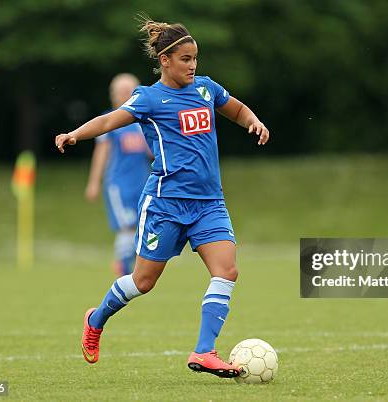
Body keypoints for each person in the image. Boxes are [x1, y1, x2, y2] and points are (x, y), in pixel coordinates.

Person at [55, 18, 270, 378]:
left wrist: (253, 121)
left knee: (227, 270)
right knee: (143, 282)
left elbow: (236, 109)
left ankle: (204, 351)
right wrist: (75, 134)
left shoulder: (205, 89)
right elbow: (108, 122)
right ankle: (96, 318)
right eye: (185, 59)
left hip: (208, 203)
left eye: (195, 59)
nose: (193, 66)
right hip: (165, 204)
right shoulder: (149, 98)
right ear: (165, 60)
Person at [84, 73, 153, 277]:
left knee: (143, 225)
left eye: (129, 91)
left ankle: (134, 269)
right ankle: (123, 267)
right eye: (120, 91)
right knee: (127, 225)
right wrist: (94, 182)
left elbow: (152, 151)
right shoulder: (110, 120)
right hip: (119, 185)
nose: (124, 95)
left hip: (143, 182)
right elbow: (102, 153)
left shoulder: (143, 123)